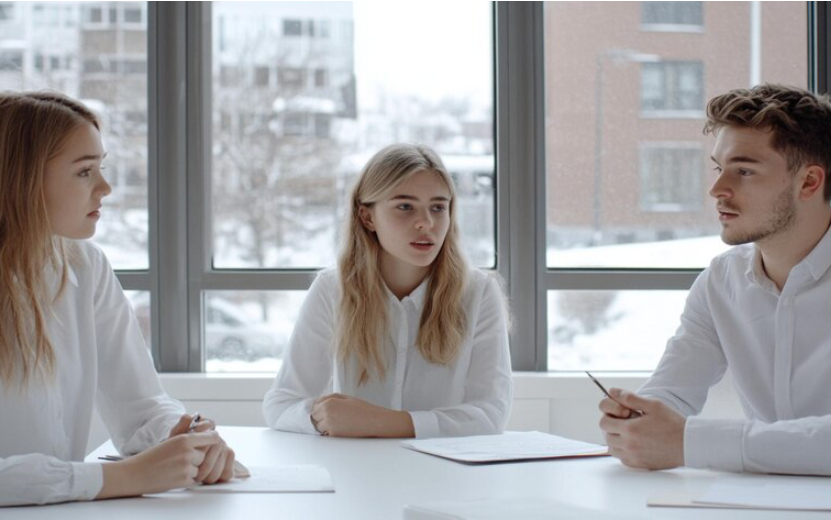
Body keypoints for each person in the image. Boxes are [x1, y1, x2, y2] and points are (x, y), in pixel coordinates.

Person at [0, 92, 236, 507]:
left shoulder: (86, 266)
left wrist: (183, 434)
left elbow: (140, 406)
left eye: (101, 167)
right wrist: (121, 476)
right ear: (19, 179)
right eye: (84, 172)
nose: (105, 187)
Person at [598, 84, 831, 475]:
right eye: (718, 168)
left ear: (808, 182)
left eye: (744, 171)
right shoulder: (721, 281)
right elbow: (673, 389)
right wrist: (638, 420)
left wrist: (690, 442)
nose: (717, 190)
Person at [263, 144, 512, 439]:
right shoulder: (333, 290)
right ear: (367, 217)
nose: (426, 223)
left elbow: (490, 414)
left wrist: (378, 422)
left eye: (438, 207)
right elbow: (280, 404)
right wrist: (323, 418)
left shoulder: (479, 292)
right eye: (405, 207)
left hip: (445, 476)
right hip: (354, 474)